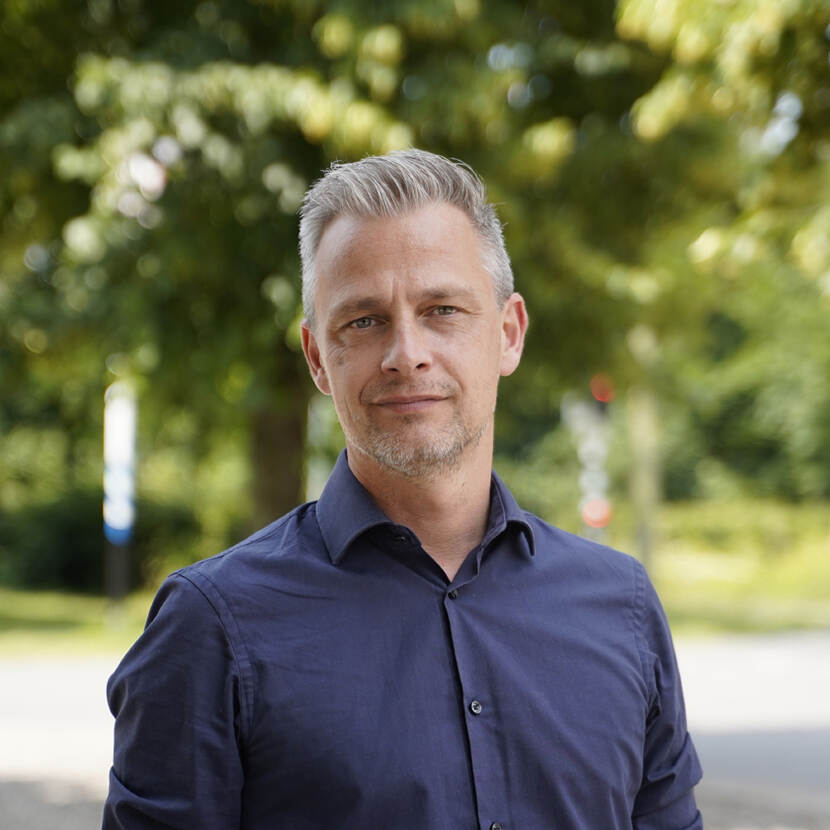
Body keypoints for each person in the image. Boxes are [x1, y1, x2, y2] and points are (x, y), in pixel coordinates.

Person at [103, 149, 702, 829]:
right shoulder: (212, 626)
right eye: (363, 321)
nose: (406, 353)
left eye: (442, 309)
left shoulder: (620, 606)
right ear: (317, 358)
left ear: (508, 334)